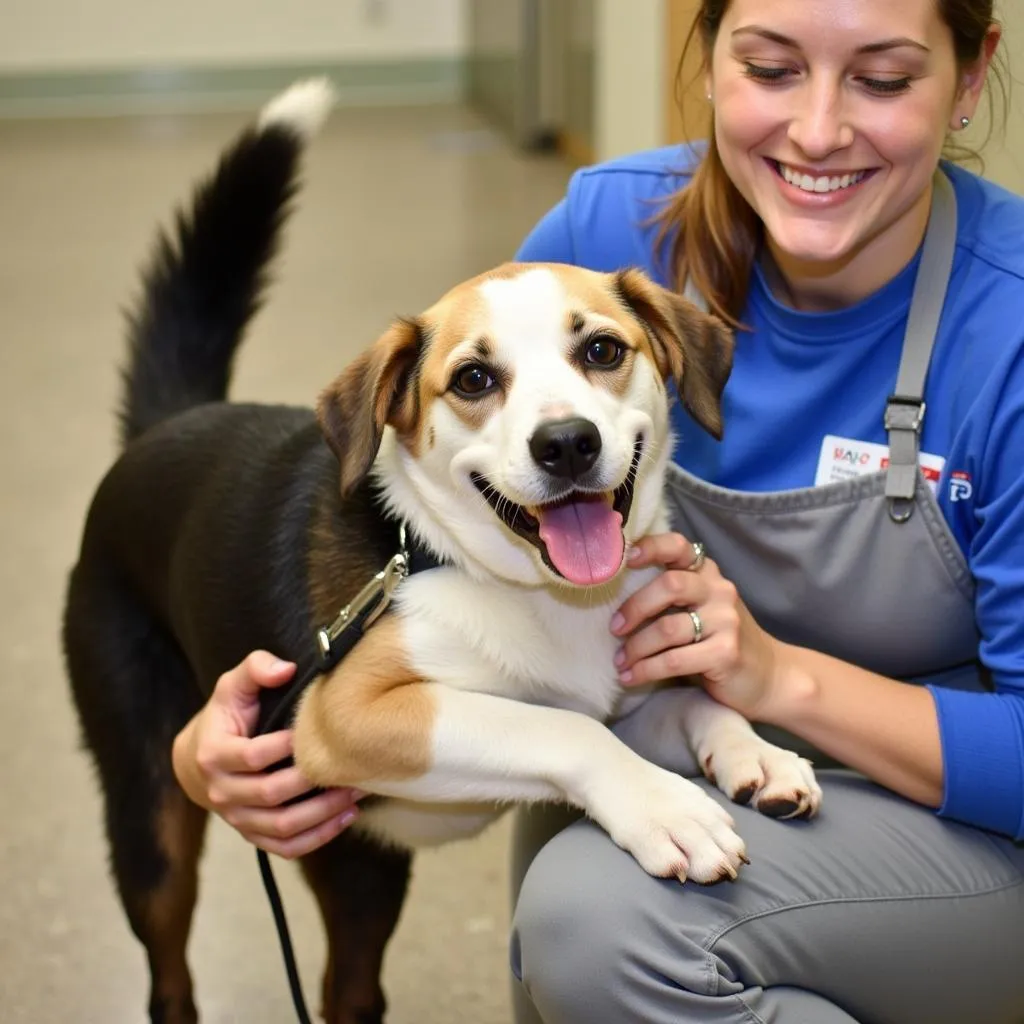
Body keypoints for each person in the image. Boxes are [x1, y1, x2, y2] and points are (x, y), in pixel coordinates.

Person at [175, 0, 1024, 1020]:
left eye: (881, 77)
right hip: (689, 738)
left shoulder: (1006, 328)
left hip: (978, 819)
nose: (816, 131)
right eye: (769, 67)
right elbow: (442, 473)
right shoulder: (604, 233)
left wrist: (775, 678)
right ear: (706, 61)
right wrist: (224, 750)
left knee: (601, 925)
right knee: (581, 907)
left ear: (970, 76)